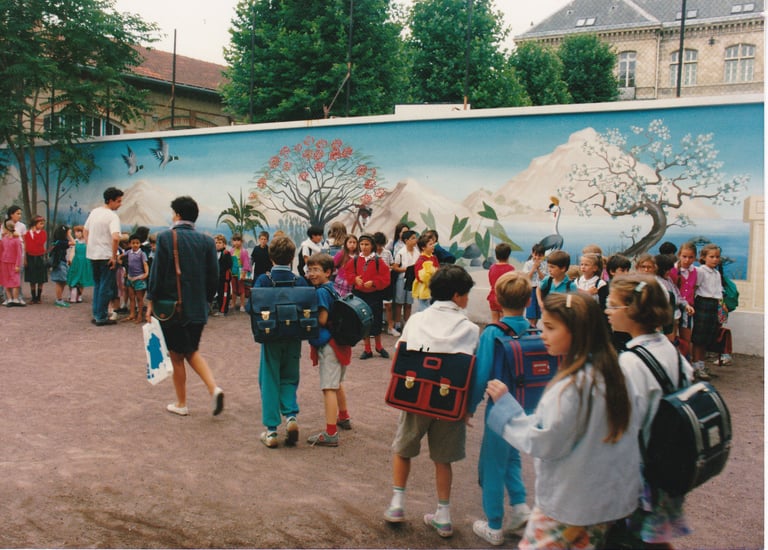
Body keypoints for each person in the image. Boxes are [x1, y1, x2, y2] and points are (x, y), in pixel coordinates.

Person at [485, 292, 641, 549]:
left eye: (550, 327)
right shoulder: (616, 371)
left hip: (570, 503)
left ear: (576, 332)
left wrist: (505, 409)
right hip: (607, 500)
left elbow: (544, 440)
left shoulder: (571, 385)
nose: (541, 333)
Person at [384, 265, 479, 538]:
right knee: (443, 459)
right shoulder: (470, 328)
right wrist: (467, 409)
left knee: (403, 449)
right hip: (450, 403)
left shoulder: (416, 320)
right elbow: (473, 369)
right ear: (458, 295)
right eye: (466, 294)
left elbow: (399, 353)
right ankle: (444, 515)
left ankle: (397, 503)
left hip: (415, 395)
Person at [605, 274, 693, 545]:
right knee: (652, 539)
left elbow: (621, 425)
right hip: (667, 467)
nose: (607, 310)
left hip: (640, 476)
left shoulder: (631, 363)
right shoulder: (669, 350)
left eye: (612, 304)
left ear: (632, 311)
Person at [469, 272, 532, 546]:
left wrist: (469, 407)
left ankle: (494, 524)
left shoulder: (493, 333)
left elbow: (481, 374)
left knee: (492, 464)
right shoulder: (532, 328)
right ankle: (520, 508)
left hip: (498, 409)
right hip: (525, 405)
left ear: (495, 299)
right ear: (529, 300)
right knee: (511, 456)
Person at [146, 196, 224, 417]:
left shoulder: (165, 238)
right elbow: (214, 277)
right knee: (190, 351)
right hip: (198, 308)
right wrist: (207, 301)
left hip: (172, 308)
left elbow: (157, 273)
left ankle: (183, 403)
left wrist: (150, 301)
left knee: (178, 355)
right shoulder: (208, 241)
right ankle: (213, 389)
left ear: (178, 215)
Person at [253, 235, 306, 448]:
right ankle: (291, 416)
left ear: (270, 256)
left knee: (269, 379)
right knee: (290, 377)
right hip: (294, 336)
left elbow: (252, 307)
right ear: (292, 257)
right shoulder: (299, 281)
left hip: (271, 336)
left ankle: (272, 430)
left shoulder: (264, 280)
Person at [305, 253, 353, 447]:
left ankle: (331, 432)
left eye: (316, 270)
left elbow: (322, 320)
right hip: (341, 343)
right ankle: (343, 416)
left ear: (328, 272)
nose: (311, 274)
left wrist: (306, 316)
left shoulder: (321, 292)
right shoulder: (333, 288)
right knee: (337, 383)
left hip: (329, 345)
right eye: (310, 270)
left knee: (329, 387)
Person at [345, 233, 390, 359]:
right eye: (362, 244)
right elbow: (348, 273)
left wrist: (374, 283)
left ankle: (379, 346)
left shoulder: (378, 261)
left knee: (376, 319)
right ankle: (367, 348)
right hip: (359, 295)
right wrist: (355, 279)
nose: (364, 247)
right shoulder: (354, 260)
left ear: (372, 246)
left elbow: (386, 278)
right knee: (363, 320)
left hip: (374, 295)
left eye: (367, 244)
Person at [84, 187, 123, 326]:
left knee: (98, 285)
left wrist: (90, 245)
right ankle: (101, 316)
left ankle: (97, 313)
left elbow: (85, 230)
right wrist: (113, 256)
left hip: (93, 254)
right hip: (106, 255)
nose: (120, 204)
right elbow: (115, 237)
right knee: (106, 287)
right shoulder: (113, 216)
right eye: (118, 201)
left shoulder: (94, 212)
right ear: (111, 200)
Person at [690, 244, 723, 381]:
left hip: (714, 305)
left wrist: (721, 307)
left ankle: (701, 364)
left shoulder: (716, 273)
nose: (715, 259)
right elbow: (695, 287)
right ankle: (696, 366)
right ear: (703, 258)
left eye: (717, 257)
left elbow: (718, 291)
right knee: (699, 337)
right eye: (711, 257)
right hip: (703, 303)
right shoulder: (701, 271)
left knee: (707, 337)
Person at [669, 242, 697, 358]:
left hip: (688, 307)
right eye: (684, 256)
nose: (687, 260)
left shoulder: (695, 271)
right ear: (679, 255)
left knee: (687, 337)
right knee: (673, 336)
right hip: (674, 307)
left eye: (691, 257)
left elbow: (695, 287)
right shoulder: (672, 271)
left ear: (695, 257)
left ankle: (687, 361)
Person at [391, 230, 419, 333]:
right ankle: (397, 323)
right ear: (406, 240)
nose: (415, 240)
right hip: (402, 279)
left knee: (409, 303)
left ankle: (407, 324)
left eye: (415, 238)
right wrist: (407, 269)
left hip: (412, 280)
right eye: (412, 238)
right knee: (399, 302)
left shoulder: (417, 252)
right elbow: (395, 267)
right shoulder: (401, 252)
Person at [374, 231, 397, 337]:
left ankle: (390, 327)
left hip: (386, 282)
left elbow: (392, 265)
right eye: (377, 245)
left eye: (380, 245)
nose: (379, 247)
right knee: (375, 306)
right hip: (374, 283)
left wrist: (389, 269)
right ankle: (374, 328)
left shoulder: (387, 253)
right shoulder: (371, 254)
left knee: (388, 305)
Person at [487, 242, 515, 324]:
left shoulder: (492, 267)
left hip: (492, 296)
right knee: (504, 322)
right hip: (504, 297)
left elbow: (491, 281)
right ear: (508, 255)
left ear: (496, 255)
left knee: (494, 320)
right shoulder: (510, 269)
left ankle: (494, 335)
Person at [411, 233, 439, 314]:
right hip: (424, 290)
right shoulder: (421, 260)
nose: (433, 246)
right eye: (430, 244)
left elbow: (438, 270)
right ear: (423, 247)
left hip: (432, 289)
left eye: (433, 244)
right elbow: (420, 277)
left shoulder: (433, 257)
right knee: (425, 311)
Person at [124, 233, 149, 323]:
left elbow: (145, 264)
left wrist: (146, 273)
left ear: (140, 244)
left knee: (139, 298)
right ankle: (132, 314)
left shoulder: (142, 254)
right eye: (133, 243)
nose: (135, 245)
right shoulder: (128, 252)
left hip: (139, 278)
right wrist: (118, 258)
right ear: (130, 244)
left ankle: (139, 315)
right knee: (131, 297)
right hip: (130, 277)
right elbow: (123, 256)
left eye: (137, 243)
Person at [24, 215, 48, 304]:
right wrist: (25, 258)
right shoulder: (27, 233)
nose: (42, 225)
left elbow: (40, 243)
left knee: (41, 278)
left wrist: (35, 234)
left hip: (40, 257)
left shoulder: (43, 233)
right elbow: (27, 246)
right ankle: (33, 297)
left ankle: (39, 297)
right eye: (40, 223)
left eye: (43, 224)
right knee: (32, 278)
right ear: (35, 224)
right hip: (30, 257)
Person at [49, 224, 74, 308]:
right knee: (60, 281)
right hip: (59, 263)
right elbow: (73, 243)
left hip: (61, 262)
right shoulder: (60, 242)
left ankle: (59, 299)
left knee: (63, 281)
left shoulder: (58, 241)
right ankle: (59, 299)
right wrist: (69, 234)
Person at [66, 225, 93, 303]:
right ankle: (72, 293)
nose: (76, 233)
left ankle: (80, 294)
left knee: (82, 278)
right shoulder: (75, 241)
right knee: (72, 277)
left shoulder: (87, 242)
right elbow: (72, 251)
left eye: (79, 232)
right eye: (75, 232)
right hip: (76, 261)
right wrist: (70, 259)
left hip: (84, 261)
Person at [522, 244, 546, 326]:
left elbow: (544, 278)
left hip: (540, 289)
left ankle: (534, 326)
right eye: (536, 255)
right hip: (531, 289)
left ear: (543, 256)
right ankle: (531, 327)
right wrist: (533, 268)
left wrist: (538, 269)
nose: (537, 257)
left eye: (540, 256)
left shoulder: (545, 264)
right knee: (531, 310)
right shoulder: (528, 264)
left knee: (537, 312)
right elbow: (527, 277)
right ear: (532, 254)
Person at [0, 220, 24, 306]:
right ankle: (9, 299)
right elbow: (1, 251)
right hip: (4, 262)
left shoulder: (16, 240)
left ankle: (15, 299)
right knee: (6, 281)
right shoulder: (3, 240)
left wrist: (17, 265)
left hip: (13, 263)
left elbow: (19, 253)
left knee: (15, 282)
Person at [229, 233, 251, 312]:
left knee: (241, 290)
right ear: (232, 242)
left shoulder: (244, 251)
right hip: (233, 273)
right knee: (234, 289)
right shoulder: (231, 251)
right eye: (234, 240)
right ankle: (233, 304)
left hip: (240, 272)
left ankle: (242, 305)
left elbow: (246, 262)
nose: (236, 242)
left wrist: (244, 272)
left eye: (238, 240)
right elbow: (230, 262)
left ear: (241, 241)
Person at [213, 234, 233, 317]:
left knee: (224, 295)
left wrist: (221, 271)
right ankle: (219, 308)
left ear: (224, 244)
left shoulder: (226, 253)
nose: (217, 244)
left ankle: (223, 310)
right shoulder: (214, 253)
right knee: (219, 295)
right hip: (217, 278)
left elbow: (229, 265)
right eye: (216, 242)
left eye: (220, 242)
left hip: (225, 278)